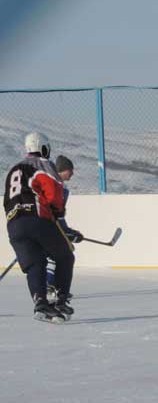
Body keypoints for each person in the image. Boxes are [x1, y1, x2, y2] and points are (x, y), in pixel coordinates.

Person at [3, 132, 75, 322]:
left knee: (35, 264)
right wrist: (58, 213)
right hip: (37, 220)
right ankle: (60, 301)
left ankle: (41, 304)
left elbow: (7, 200)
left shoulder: (13, 170)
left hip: (14, 225)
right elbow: (53, 190)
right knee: (66, 255)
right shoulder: (42, 164)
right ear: (43, 147)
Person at [46, 155, 83, 301]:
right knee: (55, 254)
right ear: (61, 170)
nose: (72, 173)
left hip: (49, 225)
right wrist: (67, 232)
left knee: (62, 253)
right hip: (43, 225)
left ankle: (54, 286)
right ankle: (49, 286)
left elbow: (59, 215)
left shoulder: (62, 188)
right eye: (70, 170)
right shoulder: (54, 185)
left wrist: (68, 232)